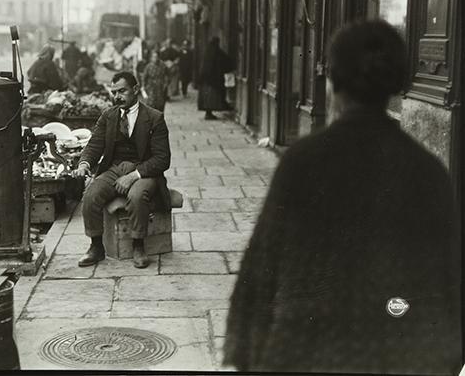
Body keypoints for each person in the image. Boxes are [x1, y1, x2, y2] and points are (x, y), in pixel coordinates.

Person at [223, 20, 461, 374]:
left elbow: (261, 270)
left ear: (333, 81)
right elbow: (448, 296)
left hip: (302, 354)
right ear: (396, 84)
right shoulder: (428, 172)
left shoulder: (304, 161)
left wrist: (246, 357)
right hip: (396, 359)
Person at [72, 71, 171, 269]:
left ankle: (138, 245)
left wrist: (134, 176)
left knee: (136, 195)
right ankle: (96, 246)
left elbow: (162, 159)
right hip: (115, 168)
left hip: (144, 170)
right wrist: (84, 164)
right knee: (91, 194)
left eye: (122, 91)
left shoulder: (154, 118)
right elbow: (94, 145)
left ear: (135, 89)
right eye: (114, 92)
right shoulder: (109, 116)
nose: (117, 96)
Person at [198, 37, 232, 119]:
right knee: (212, 98)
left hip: (206, 80)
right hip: (213, 80)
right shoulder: (217, 52)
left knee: (207, 98)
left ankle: (208, 112)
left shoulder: (207, 52)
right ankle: (209, 113)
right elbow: (227, 61)